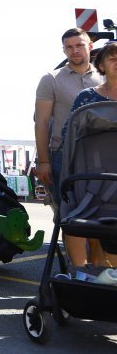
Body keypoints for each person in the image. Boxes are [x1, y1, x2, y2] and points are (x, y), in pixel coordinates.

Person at [35, 27, 102, 267]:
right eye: (69, 47)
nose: (75, 51)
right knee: (71, 216)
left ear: (90, 46)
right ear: (64, 50)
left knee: (100, 215)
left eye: (79, 45)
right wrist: (43, 161)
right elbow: (41, 122)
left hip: (99, 157)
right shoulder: (51, 79)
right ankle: (79, 273)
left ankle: (99, 274)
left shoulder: (105, 78)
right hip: (63, 155)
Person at [62, 41, 117, 268]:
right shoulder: (87, 98)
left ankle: (106, 278)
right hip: (91, 180)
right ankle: (81, 273)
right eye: (113, 59)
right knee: (73, 214)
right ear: (101, 66)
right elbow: (69, 136)